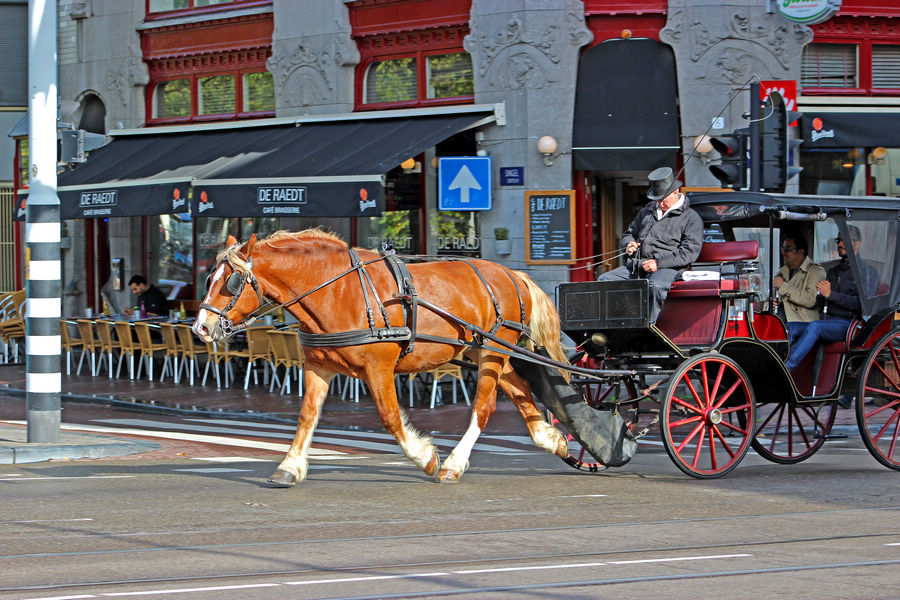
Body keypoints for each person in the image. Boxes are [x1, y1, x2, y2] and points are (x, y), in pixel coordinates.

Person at [597, 166, 703, 323]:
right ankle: (618, 325)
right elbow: (629, 233)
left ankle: (648, 328)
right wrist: (629, 244)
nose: (659, 203)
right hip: (637, 266)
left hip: (667, 270)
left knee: (654, 287)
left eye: (662, 199)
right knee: (605, 280)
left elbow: (689, 252)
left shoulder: (691, 218)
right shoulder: (646, 212)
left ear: (675, 192)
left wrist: (658, 263)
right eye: (657, 199)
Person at [784, 226, 868, 375]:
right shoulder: (833, 272)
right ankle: (778, 362)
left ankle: (786, 368)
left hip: (850, 324)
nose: (840, 244)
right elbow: (821, 303)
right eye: (839, 240)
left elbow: (862, 305)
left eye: (844, 240)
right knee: (790, 327)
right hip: (829, 321)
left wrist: (831, 295)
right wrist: (821, 295)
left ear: (858, 243)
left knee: (815, 327)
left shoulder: (867, 271)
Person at [773, 233, 826, 344]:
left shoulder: (815, 271)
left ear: (801, 251)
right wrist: (772, 303)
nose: (783, 252)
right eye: (782, 248)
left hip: (804, 322)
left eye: (788, 249)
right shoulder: (782, 272)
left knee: (786, 330)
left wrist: (783, 287)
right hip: (781, 320)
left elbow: (811, 299)